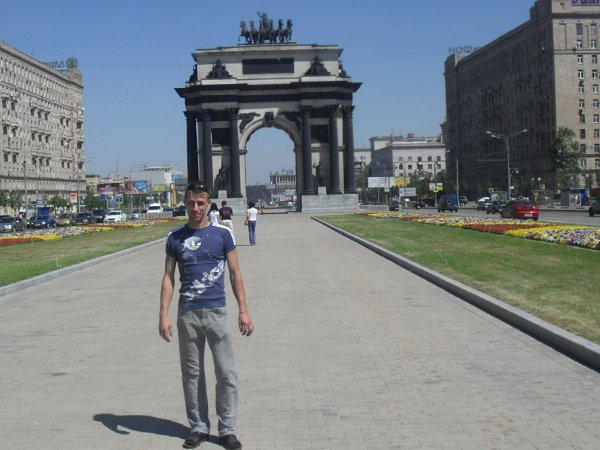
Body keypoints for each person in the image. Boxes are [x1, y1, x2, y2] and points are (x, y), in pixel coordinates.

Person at [159, 180, 254, 450]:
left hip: (217, 312)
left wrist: (243, 311)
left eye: (200, 203)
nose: (195, 208)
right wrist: (163, 314)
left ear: (209, 204)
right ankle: (198, 427)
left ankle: (227, 429)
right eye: (191, 203)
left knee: (226, 372)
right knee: (192, 374)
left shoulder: (223, 235)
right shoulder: (175, 237)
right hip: (187, 313)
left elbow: (235, 274)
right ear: (185, 203)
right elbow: (168, 277)